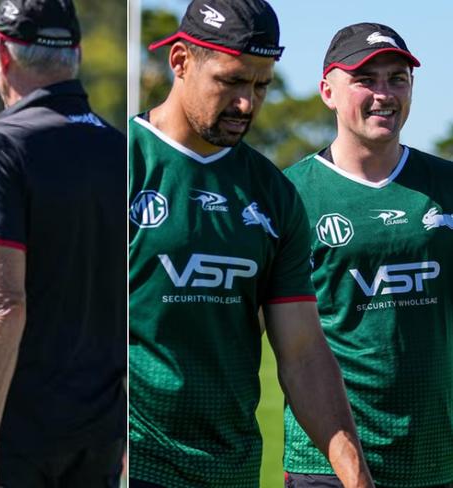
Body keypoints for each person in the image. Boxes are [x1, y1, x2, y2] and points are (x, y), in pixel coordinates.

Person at [128, 1, 375, 487]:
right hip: (138, 464)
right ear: (180, 62)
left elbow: (302, 351)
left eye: (261, 85)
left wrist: (355, 476)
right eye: (232, 81)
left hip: (233, 470)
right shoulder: (124, 163)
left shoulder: (272, 192)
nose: (247, 103)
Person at [0, 1, 126, 487]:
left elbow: (2, 302)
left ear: (3, 55)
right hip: (100, 435)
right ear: (76, 54)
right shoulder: (122, 150)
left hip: (16, 434)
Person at [283, 22, 453, 488]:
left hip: (436, 460)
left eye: (397, 78)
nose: (384, 93)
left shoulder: (446, 185)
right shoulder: (289, 195)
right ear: (328, 91)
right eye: (365, 79)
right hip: (326, 466)